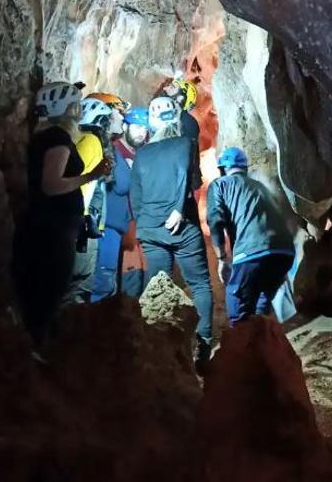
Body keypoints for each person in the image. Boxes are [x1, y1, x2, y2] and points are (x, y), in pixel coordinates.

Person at [13, 81, 110, 349]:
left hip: (45, 225)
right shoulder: (57, 139)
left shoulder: (44, 138)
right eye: (74, 106)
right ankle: (36, 352)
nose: (78, 111)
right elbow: (51, 184)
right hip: (52, 231)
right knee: (48, 293)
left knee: (39, 293)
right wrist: (91, 175)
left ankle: (32, 349)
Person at [131, 95, 213, 363]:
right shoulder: (185, 145)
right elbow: (190, 181)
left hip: (152, 228)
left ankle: (156, 342)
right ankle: (203, 343)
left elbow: (136, 197)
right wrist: (177, 209)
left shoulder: (141, 154)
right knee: (199, 284)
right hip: (183, 226)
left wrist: (147, 223)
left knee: (157, 284)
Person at [206, 147, 296, 324]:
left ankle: (244, 346)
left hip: (252, 251)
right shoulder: (261, 187)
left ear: (223, 169)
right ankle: (263, 343)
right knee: (260, 303)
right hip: (284, 252)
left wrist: (222, 258)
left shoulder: (219, 185)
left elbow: (215, 221)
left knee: (238, 303)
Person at [63, 95, 123, 305]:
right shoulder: (91, 142)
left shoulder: (79, 141)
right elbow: (77, 181)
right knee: (78, 289)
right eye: (106, 122)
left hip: (75, 223)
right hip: (80, 226)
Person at [91, 105, 149, 301]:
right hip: (112, 224)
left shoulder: (141, 154)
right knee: (107, 277)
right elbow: (121, 185)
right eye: (136, 127)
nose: (141, 133)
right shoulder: (114, 151)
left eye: (144, 129)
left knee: (130, 275)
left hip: (131, 223)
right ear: (125, 126)